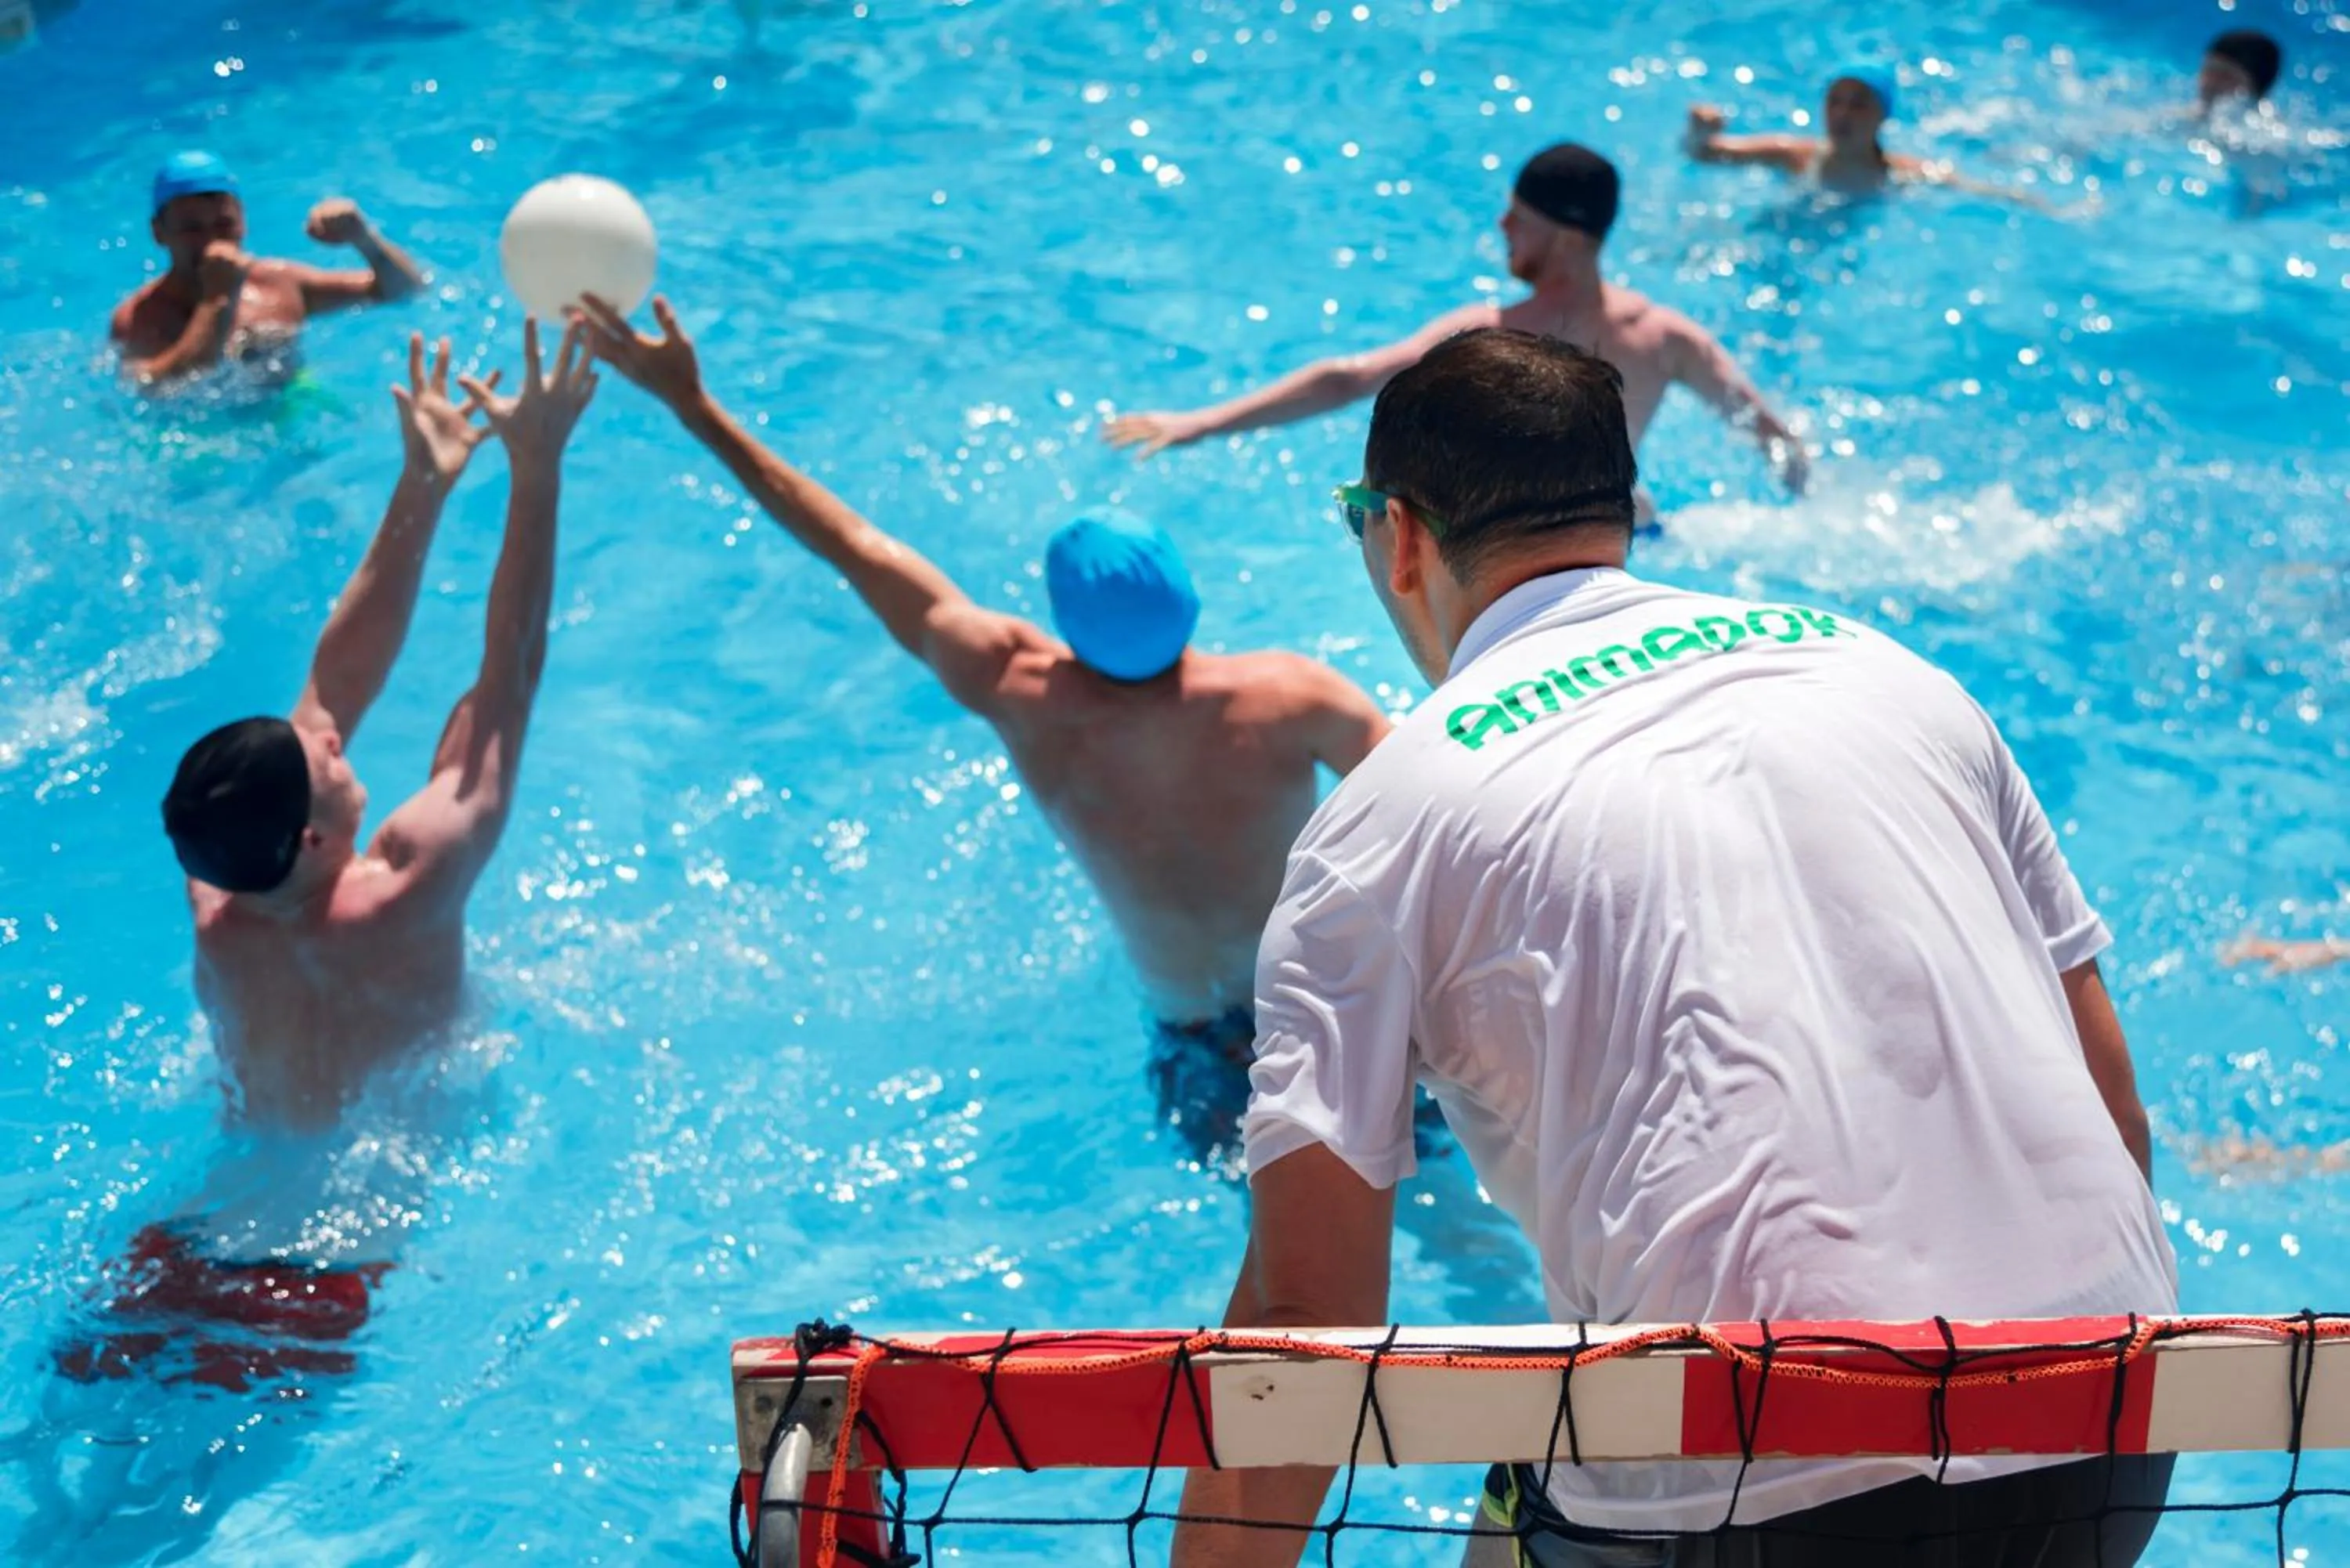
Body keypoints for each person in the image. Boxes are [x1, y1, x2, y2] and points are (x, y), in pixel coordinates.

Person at [1173, 329, 2177, 1567]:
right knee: (1531, 1465)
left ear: (1402, 536)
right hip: (2120, 1414)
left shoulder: (1385, 819)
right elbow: (2115, 1114)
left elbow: (1306, 1320)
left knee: (1541, 1484)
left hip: (1747, 1481)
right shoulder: (1898, 676)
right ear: (1627, 512)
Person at [573, 294, 1390, 1158]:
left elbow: (852, 544)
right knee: (1456, 1225)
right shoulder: (1294, 698)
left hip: (1200, 1049)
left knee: (1287, 1268)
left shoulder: (1022, 692)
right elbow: (1434, 815)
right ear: (1188, 598)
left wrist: (693, 405)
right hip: (1327, 1012)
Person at [161, 319, 596, 1136]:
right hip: (352, 1263)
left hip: (204, 1242)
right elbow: (509, 678)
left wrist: (422, 484)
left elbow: (332, 687)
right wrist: (537, 469)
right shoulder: (408, 889)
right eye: (319, 759)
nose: (329, 738)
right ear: (316, 840)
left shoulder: (220, 896)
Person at [1104, 143, 1806, 510]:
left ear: (1564, 234)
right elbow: (1774, 440)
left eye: (1517, 217)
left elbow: (1350, 378)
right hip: (1631, 535)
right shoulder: (1667, 339)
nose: (1501, 227)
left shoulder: (1494, 329)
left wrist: (1203, 421)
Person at [110, 151, 427, 385]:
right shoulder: (140, 317)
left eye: (224, 225)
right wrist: (217, 300)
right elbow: (158, 391)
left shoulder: (279, 282)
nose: (210, 242)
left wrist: (364, 238)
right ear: (158, 233)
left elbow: (405, 290)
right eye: (192, 229)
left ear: (243, 222)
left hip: (294, 404)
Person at [1687, 67, 2034, 205]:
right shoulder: (1792, 154)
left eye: (1858, 104)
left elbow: (1988, 193)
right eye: (1835, 101)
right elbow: (1701, 154)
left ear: (1882, 115)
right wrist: (1699, 130)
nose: (1842, 114)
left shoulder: (1903, 173)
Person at [2200, 29, 2283, 114]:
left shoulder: (2268, 125)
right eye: (2209, 70)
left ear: (2256, 89)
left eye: (2226, 76)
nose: (2211, 83)